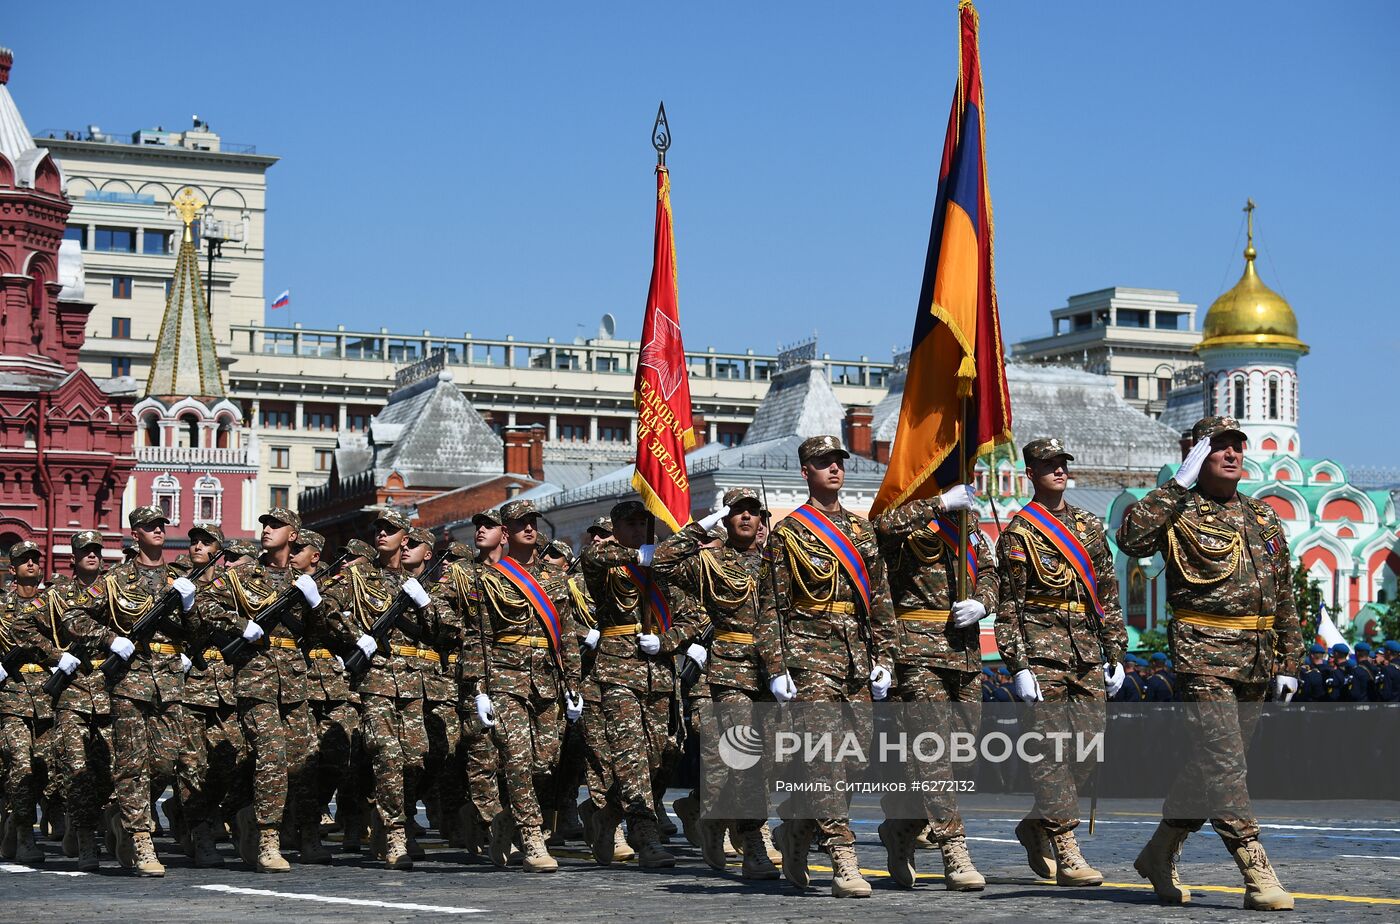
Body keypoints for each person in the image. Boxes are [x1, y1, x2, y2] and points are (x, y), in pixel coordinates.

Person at [1118, 416, 1303, 911]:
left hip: (1258, 658)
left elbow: (1284, 594)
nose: (1232, 453)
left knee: (1211, 768)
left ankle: (1159, 852)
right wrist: (1176, 484)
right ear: (1198, 455)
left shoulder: (1262, 516)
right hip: (1204, 654)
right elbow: (1131, 540)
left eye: (1237, 445)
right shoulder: (1178, 509)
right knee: (1225, 765)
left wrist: (1290, 659)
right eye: (1218, 446)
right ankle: (1255, 867)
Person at [757, 435, 897, 899]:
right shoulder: (788, 533)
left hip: (855, 658)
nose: (834, 469)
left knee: (855, 760)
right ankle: (842, 858)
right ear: (805, 472)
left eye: (838, 462)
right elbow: (772, 607)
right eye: (823, 463)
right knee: (824, 762)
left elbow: (879, 602)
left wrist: (886, 658)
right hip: (808, 654)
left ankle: (797, 825)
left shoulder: (861, 532)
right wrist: (776, 667)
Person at [995, 438, 1126, 887]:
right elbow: (1009, 605)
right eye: (1048, 465)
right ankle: (1067, 848)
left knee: (1088, 748)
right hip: (1042, 652)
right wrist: (1018, 665)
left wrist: (1116, 652)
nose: (1058, 471)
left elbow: (1106, 594)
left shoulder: (1089, 526)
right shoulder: (1019, 533)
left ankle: (1036, 824)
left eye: (1062, 464)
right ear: (1031, 473)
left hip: (1086, 650)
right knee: (1049, 752)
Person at [60, 506, 201, 876]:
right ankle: (141, 841)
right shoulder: (115, 579)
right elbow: (73, 616)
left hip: (170, 682)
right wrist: (109, 639)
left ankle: (120, 812)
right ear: (135, 534)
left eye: (161, 525)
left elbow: (199, 632)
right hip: (130, 683)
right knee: (131, 763)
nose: (158, 530)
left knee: (168, 761)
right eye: (149, 526)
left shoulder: (180, 578)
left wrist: (188, 606)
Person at [651, 487, 780, 880]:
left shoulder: (776, 563)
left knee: (769, 761)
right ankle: (754, 841)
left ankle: (710, 816)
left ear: (762, 521)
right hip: (725, 672)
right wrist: (698, 527)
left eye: (752, 512)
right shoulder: (707, 562)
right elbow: (661, 562)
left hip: (771, 672)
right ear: (726, 519)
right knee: (743, 759)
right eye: (736, 512)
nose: (745, 518)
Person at [872, 481, 992, 890]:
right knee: (934, 754)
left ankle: (901, 826)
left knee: (962, 753)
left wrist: (984, 603)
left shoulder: (968, 520)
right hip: (917, 653)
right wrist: (937, 504)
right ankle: (953, 849)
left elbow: (990, 569)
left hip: (965, 652)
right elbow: (879, 533)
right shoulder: (905, 513)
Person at [195, 508, 322, 873]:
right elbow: (205, 603)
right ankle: (268, 838)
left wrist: (315, 602)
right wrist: (239, 625)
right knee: (272, 756)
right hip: (256, 678)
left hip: (295, 682)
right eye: (265, 524)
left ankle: (245, 813)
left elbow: (324, 630)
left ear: (294, 535)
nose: (266, 529)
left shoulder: (303, 579)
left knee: (299, 760)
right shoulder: (244, 573)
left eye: (276, 525)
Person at [317, 509, 443, 869]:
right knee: (387, 755)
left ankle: (381, 813)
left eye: (390, 530)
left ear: (406, 539)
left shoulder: (419, 584)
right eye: (379, 530)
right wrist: (354, 637)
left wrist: (424, 602)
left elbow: (441, 630)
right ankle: (395, 833)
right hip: (376, 679)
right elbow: (326, 608)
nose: (382, 535)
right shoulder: (357, 576)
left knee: (415, 757)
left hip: (414, 679)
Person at [581, 499, 699, 870]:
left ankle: (606, 815)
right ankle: (645, 835)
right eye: (630, 524)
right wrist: (690, 533)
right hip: (617, 673)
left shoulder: (663, 571)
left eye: (642, 524)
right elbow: (601, 559)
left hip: (661, 675)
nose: (637, 530)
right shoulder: (604, 562)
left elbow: (694, 616)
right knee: (631, 758)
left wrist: (668, 641)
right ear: (615, 528)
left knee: (661, 758)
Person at [469, 500, 583, 872]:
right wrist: (478, 689)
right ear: (505, 533)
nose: (529, 529)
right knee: (516, 758)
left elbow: (565, 635)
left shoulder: (554, 580)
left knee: (543, 762)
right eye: (520, 524)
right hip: (505, 678)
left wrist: (573, 685)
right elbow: (477, 637)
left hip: (547, 680)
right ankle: (532, 836)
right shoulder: (489, 578)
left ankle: (505, 820)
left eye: (532, 523)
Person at [20, 531, 113, 870]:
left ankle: (85, 824)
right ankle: (87, 839)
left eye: (96, 550)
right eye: (84, 551)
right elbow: (23, 625)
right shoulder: (55, 595)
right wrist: (53, 655)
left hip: (109, 688)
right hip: (72, 690)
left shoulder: (113, 589)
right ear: (73, 558)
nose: (91, 555)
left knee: (110, 771)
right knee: (77, 770)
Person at [292, 528, 357, 863]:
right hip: (293, 681)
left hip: (332, 683)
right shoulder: (278, 585)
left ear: (315, 556)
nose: (292, 552)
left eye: (299, 548)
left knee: (335, 758)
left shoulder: (335, 588)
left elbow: (348, 631)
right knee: (301, 762)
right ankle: (304, 832)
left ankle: (310, 815)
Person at [0, 540, 56, 866]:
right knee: (20, 764)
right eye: (24, 561)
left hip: (47, 696)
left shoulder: (54, 603)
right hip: (11, 696)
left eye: (35, 559)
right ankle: (24, 835)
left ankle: (12, 818)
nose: (32, 565)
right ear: (12, 569)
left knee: (43, 768)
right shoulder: (1, 606)